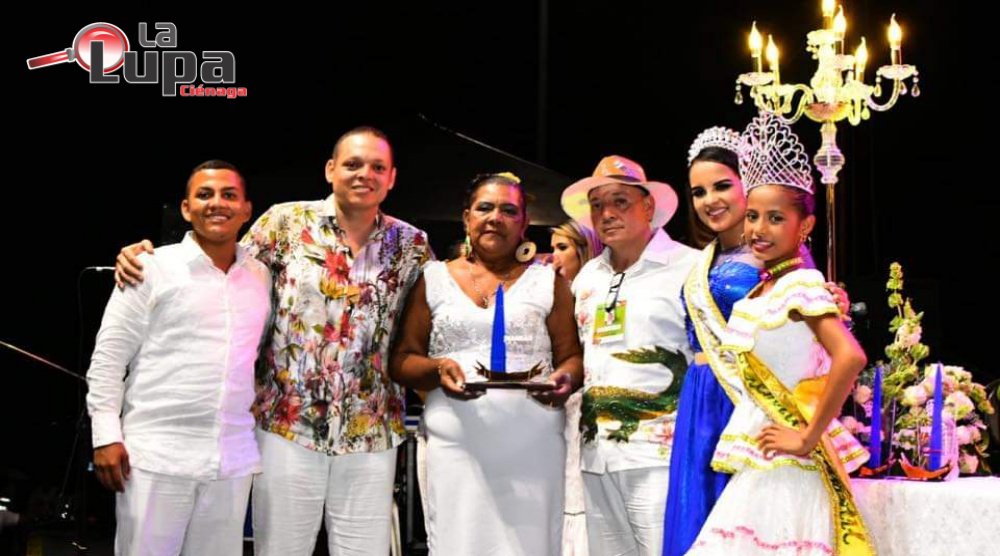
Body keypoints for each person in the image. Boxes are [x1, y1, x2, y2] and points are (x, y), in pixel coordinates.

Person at [114, 127, 433, 556]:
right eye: (353, 164)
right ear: (330, 170)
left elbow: (442, 307)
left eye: (377, 167)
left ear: (392, 178)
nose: (364, 174)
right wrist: (150, 255)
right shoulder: (285, 222)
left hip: (371, 431)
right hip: (286, 426)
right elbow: (221, 269)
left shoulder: (410, 244)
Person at [687, 113, 873, 555]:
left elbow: (851, 357)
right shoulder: (764, 287)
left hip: (791, 462)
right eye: (752, 216)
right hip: (766, 458)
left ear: (804, 226)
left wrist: (807, 436)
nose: (758, 229)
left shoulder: (801, 284)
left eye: (774, 218)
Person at [389, 172, 583, 555]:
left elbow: (572, 357)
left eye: (509, 210)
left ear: (524, 223)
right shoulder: (434, 278)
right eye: (485, 208)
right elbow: (401, 360)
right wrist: (437, 369)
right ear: (466, 218)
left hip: (534, 443)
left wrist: (565, 380)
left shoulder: (548, 282)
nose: (495, 217)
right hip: (457, 443)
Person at [87, 160, 270, 555]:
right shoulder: (149, 268)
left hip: (231, 460)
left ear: (246, 210)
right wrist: (105, 436)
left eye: (228, 195)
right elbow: (108, 359)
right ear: (186, 208)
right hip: (156, 457)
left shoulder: (261, 276)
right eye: (204, 194)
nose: (216, 203)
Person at [562, 155, 700, 556]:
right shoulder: (587, 277)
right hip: (594, 453)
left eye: (620, 201)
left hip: (659, 453)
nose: (607, 214)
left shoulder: (688, 267)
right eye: (598, 204)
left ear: (648, 207)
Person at [547, 220, 601, 556]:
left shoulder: (589, 290)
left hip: (586, 405)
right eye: (553, 248)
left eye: (562, 248)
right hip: (562, 408)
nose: (554, 257)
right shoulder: (559, 294)